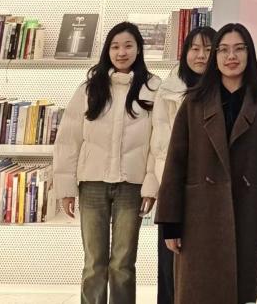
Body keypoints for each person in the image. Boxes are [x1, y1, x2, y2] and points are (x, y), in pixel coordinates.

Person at [156, 23, 257, 304]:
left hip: (248, 213)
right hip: (199, 215)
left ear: (249, 54)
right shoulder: (194, 102)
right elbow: (175, 163)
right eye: (224, 50)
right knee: (196, 291)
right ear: (215, 57)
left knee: (241, 290)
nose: (231, 56)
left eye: (239, 49)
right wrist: (170, 222)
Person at [53, 22, 162, 304]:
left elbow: (158, 144)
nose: (121, 52)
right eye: (115, 46)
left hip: (131, 186)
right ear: (107, 50)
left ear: (138, 49)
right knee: (94, 263)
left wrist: (151, 186)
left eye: (128, 46)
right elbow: (68, 140)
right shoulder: (90, 88)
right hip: (92, 185)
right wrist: (66, 188)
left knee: (123, 265)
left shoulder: (153, 88)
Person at [152, 26, 216, 304]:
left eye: (209, 49)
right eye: (195, 49)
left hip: (212, 193)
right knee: (171, 269)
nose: (201, 55)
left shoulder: (226, 91)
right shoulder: (167, 90)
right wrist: (155, 186)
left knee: (208, 270)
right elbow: (157, 144)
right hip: (174, 189)